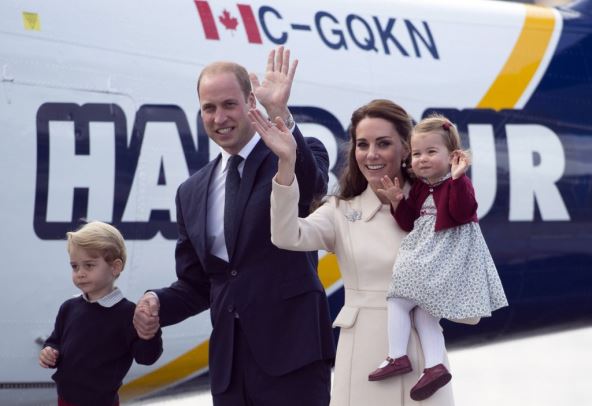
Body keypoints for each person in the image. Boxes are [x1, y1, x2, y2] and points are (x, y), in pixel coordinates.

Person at [132, 46, 335, 406]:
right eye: (209, 108)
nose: (219, 117)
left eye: (229, 104)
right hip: (230, 370)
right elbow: (199, 284)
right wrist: (157, 303)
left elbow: (312, 186)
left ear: (251, 102)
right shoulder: (191, 192)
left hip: (293, 360)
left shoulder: (289, 155)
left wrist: (280, 114)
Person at [255, 99, 455, 405]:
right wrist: (286, 164)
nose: (371, 154)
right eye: (363, 145)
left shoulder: (437, 206)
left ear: (406, 148)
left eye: (383, 143)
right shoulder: (340, 211)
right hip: (363, 360)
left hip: (424, 363)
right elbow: (286, 235)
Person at [368, 114, 508, 400]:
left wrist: (458, 178)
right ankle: (434, 366)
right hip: (431, 254)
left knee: (398, 298)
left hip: (444, 256)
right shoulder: (422, 187)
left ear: (453, 155)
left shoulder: (458, 184)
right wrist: (397, 201)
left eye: (431, 152)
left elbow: (462, 211)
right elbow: (409, 222)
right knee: (424, 312)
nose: (422, 159)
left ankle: (397, 356)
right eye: (417, 154)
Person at [39, 221, 163, 406]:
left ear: (115, 267)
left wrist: (150, 332)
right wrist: (50, 352)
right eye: (75, 266)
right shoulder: (69, 308)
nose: (80, 273)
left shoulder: (128, 314)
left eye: (89, 265)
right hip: (64, 400)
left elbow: (146, 357)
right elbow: (56, 341)